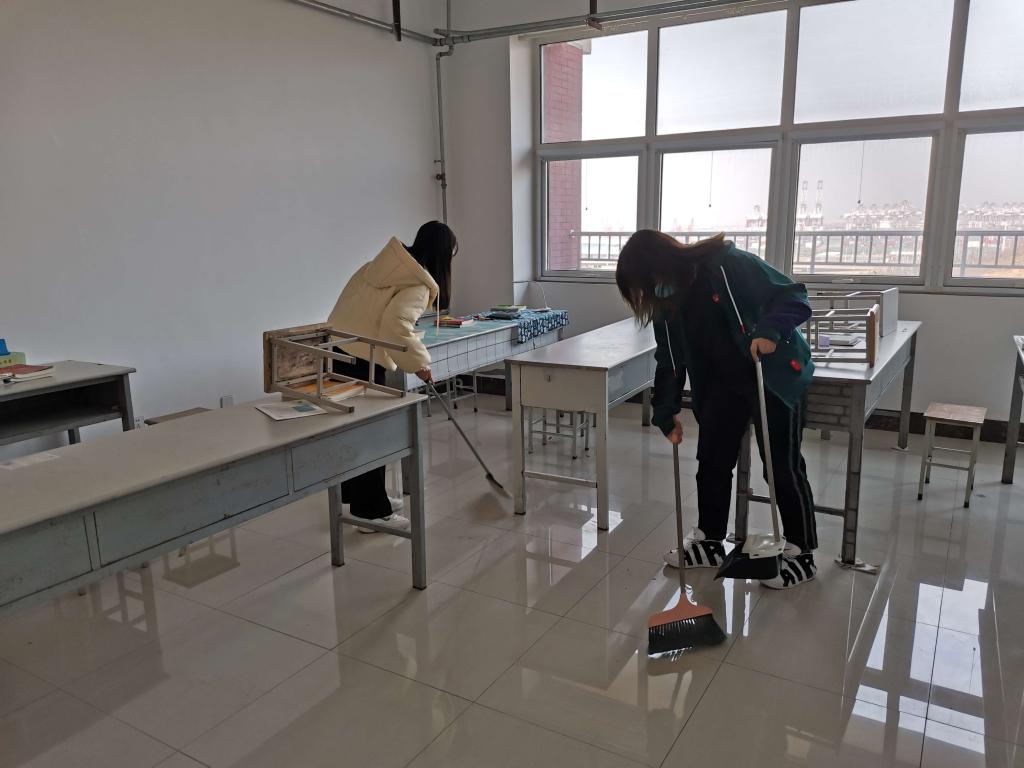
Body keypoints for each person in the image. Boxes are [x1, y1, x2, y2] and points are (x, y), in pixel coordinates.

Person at [615, 230, 818, 589]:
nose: (648, 295)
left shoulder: (727, 264)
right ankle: (710, 541)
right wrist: (665, 410)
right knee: (712, 462)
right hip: (722, 384)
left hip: (769, 373)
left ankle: (802, 554)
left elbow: (793, 295)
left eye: (646, 284)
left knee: (781, 467)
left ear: (661, 266)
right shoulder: (667, 302)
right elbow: (670, 359)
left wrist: (770, 331)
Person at [327, 221, 457, 532]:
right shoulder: (417, 284)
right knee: (374, 434)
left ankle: (356, 497)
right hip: (364, 359)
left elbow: (361, 313)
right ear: (441, 256)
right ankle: (370, 511)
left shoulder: (376, 267)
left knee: (353, 430)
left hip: (336, 351)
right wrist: (419, 363)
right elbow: (395, 328)